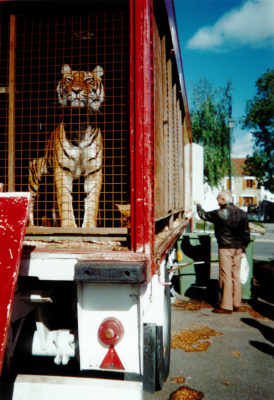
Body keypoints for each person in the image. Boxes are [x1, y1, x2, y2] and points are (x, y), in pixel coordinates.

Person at [194, 191, 250, 314]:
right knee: (235, 275)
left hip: (225, 248)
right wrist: (243, 249)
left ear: (224, 199)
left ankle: (226, 306)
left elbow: (203, 215)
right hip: (238, 248)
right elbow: (246, 233)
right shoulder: (242, 213)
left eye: (218, 199)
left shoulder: (219, 213)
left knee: (226, 275)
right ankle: (236, 303)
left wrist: (198, 205)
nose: (217, 201)